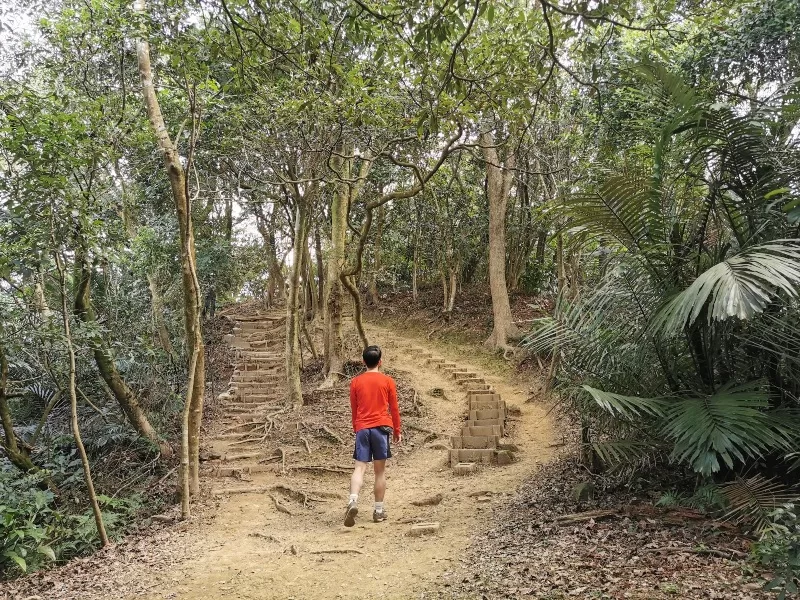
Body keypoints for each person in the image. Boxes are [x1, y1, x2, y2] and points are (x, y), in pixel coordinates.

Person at [344, 345, 401, 527]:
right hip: (381, 428)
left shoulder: (355, 382)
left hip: (362, 428)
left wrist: (356, 426)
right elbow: (394, 409)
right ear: (380, 362)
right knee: (379, 472)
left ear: (363, 362)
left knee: (359, 468)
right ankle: (378, 511)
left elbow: (354, 408)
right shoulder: (388, 381)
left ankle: (353, 500)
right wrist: (397, 430)